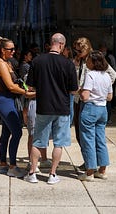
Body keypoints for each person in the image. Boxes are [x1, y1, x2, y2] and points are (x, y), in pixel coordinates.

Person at [24, 33, 78, 184]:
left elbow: (30, 86)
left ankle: (32, 173)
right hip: (62, 108)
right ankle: (52, 174)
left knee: (38, 141)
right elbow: (74, 90)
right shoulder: (68, 64)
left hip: (43, 106)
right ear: (61, 45)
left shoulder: (38, 61)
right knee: (59, 143)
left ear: (51, 43)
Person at [0, 36, 35, 177]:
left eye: (14, 48)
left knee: (6, 133)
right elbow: (10, 86)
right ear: (3, 50)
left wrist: (24, 88)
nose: (13, 51)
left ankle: (3, 164)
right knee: (17, 132)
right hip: (5, 101)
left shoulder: (7, 62)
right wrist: (26, 93)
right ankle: (12, 166)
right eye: (10, 49)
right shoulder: (1, 64)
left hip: (9, 101)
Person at [72, 37, 116, 171]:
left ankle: (90, 167)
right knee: (85, 135)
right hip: (81, 100)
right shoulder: (79, 61)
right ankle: (94, 163)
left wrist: (97, 90)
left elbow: (112, 74)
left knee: (88, 137)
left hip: (88, 101)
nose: (77, 53)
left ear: (86, 48)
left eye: (79, 50)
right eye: (76, 50)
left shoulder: (95, 59)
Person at [78, 50, 113, 182]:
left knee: (88, 140)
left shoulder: (90, 75)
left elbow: (85, 96)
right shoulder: (107, 76)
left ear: (93, 62)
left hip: (90, 108)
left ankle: (89, 172)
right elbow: (109, 97)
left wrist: (80, 92)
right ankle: (102, 170)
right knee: (100, 140)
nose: (86, 62)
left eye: (88, 60)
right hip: (103, 109)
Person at [98, 42, 116, 124]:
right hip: (102, 82)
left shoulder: (109, 57)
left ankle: (107, 118)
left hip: (107, 82)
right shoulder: (99, 56)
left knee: (108, 101)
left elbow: (114, 71)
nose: (102, 49)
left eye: (103, 48)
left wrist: (110, 82)